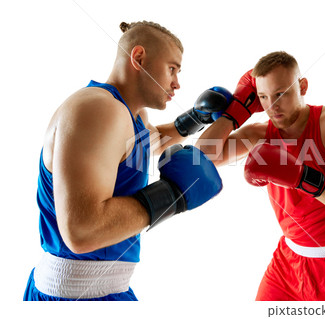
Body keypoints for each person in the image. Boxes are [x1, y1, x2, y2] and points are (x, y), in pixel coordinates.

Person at [23, 20, 232, 301]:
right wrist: (172, 195)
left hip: (105, 289)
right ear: (139, 57)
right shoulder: (98, 109)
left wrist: (196, 118)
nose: (177, 83)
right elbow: (81, 231)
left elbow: (149, 143)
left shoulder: (130, 115)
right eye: (172, 68)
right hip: (75, 296)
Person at [195, 51, 325, 301]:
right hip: (288, 264)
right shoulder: (260, 134)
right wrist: (235, 113)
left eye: (280, 94)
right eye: (263, 97)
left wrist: (300, 176)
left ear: (302, 86)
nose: (272, 106)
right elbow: (201, 157)